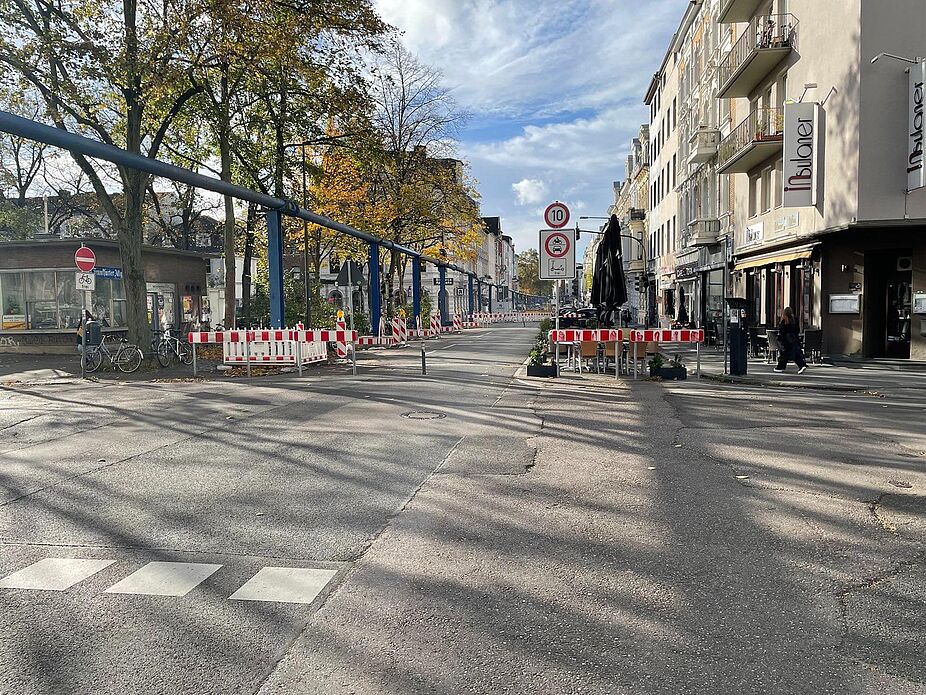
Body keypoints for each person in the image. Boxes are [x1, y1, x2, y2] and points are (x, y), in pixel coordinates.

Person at [774, 306, 807, 374]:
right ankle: (801, 365)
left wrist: (780, 339)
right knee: (794, 353)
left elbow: (781, 331)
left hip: (786, 340)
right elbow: (797, 330)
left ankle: (781, 367)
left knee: (785, 354)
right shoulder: (795, 320)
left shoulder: (784, 321)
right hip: (794, 339)